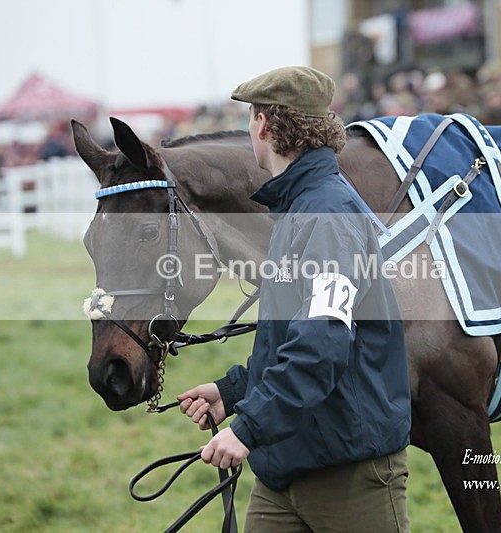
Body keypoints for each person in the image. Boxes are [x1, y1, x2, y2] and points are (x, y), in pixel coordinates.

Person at [179, 66, 412, 532]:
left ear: (263, 124)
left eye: (251, 119)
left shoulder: (326, 212)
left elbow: (321, 345)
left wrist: (248, 428)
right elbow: (292, 336)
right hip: (283, 469)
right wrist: (233, 392)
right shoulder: (298, 208)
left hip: (347, 474)